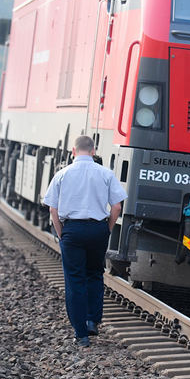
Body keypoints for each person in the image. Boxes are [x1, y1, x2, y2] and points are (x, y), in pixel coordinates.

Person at [43, 135, 127, 348]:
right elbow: (117, 206)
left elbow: (53, 208)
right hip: (98, 229)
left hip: (72, 230)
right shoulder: (106, 173)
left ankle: (81, 334)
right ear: (93, 151)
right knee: (94, 274)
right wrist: (107, 228)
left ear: (73, 151)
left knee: (74, 280)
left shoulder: (62, 174)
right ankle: (92, 320)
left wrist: (62, 233)